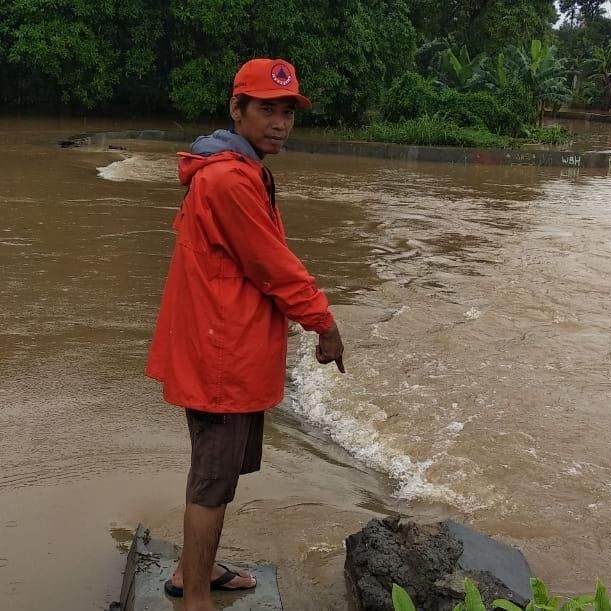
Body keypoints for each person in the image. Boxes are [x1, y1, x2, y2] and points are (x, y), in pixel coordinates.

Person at [145, 57, 345, 611]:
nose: (279, 122)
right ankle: (195, 597)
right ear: (237, 109)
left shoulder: (235, 167)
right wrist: (324, 322)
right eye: (266, 109)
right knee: (213, 479)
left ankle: (194, 570)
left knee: (216, 471)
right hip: (221, 354)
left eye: (287, 111)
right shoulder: (231, 178)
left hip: (223, 345)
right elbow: (273, 265)